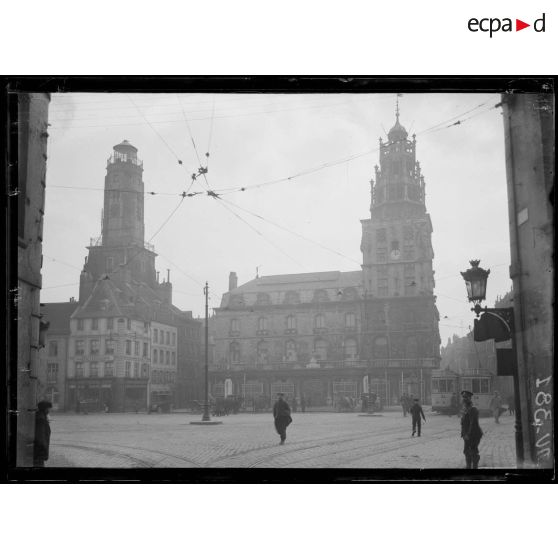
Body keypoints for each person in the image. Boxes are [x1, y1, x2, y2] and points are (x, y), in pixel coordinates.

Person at [461, 390, 483, 469]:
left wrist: (468, 434)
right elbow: (463, 424)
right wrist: (463, 434)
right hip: (466, 435)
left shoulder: (473, 409)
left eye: (466, 397)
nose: (464, 399)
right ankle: (468, 467)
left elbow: (472, 423)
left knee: (473, 452)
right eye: (463, 397)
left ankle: (474, 467)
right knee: (466, 451)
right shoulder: (464, 410)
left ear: (470, 398)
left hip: (474, 434)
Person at [33, 400, 52, 467]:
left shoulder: (41, 416)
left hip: (38, 450)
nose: (49, 410)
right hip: (39, 451)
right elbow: (40, 436)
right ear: (45, 408)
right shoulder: (41, 419)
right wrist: (43, 450)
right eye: (48, 408)